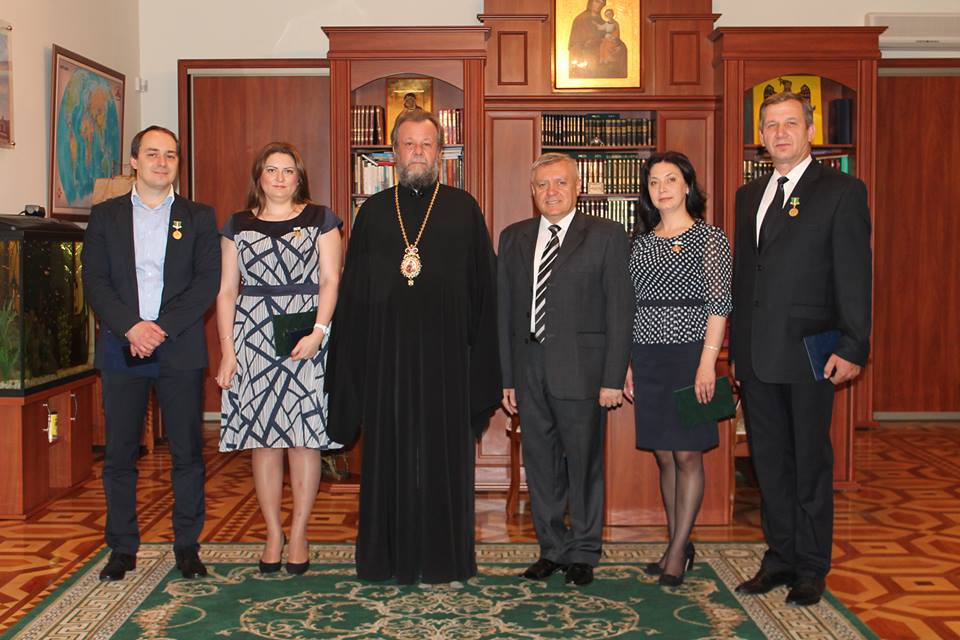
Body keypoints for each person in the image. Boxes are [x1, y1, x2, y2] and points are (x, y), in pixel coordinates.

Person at [326, 109, 500, 585]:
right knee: (390, 457)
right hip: (389, 362)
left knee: (445, 461)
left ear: (440, 152)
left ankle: (446, 559)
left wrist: (483, 366)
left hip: (449, 361)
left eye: (426, 144)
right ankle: (388, 558)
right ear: (394, 153)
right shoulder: (373, 213)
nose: (418, 152)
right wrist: (354, 366)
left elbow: (484, 292)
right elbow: (354, 296)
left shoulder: (464, 208)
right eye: (409, 144)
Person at [730, 92, 871, 606]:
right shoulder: (749, 194)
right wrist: (738, 350)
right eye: (771, 125)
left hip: (813, 352)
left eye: (791, 123)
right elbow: (748, 277)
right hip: (757, 355)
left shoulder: (841, 190)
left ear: (810, 131)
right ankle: (780, 558)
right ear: (761, 137)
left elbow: (854, 274)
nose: (780, 133)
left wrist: (853, 345)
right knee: (769, 464)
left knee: (809, 462)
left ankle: (811, 567)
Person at [82, 125, 220, 581]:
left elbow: (206, 282)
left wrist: (159, 329)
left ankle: (187, 547)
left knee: (187, 454)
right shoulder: (105, 217)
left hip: (178, 347)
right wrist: (132, 327)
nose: (162, 162)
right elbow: (95, 281)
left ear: (178, 163)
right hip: (123, 346)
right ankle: (122, 548)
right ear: (134, 162)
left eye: (171, 155)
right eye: (153, 154)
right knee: (120, 455)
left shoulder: (198, 217)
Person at [498, 152, 632, 587]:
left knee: (584, 464)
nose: (551, 192)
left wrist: (613, 377)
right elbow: (505, 311)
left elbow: (620, 310)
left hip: (583, 371)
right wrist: (507, 378)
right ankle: (552, 549)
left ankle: (584, 552)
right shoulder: (513, 237)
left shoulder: (607, 235)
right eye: (542, 185)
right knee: (540, 465)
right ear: (532, 192)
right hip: (529, 369)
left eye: (560, 183)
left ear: (578, 188)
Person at [215, 142, 342, 575]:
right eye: (272, 170)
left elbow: (331, 280)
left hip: (307, 335)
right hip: (252, 338)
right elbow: (227, 291)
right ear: (259, 177)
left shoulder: (321, 220)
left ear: (299, 178)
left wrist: (319, 332)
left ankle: (300, 532)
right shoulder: (237, 225)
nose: (280, 178)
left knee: (304, 438)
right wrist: (228, 351)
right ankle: (273, 532)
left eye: (289, 171)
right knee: (264, 439)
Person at [621, 151, 732, 587]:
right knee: (664, 455)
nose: (662, 188)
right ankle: (677, 545)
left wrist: (707, 363)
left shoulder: (710, 238)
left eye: (670, 179)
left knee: (687, 453)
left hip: (692, 357)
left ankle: (677, 552)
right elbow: (629, 307)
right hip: (648, 357)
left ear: (687, 186)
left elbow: (719, 305)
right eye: (653, 182)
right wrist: (627, 363)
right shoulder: (639, 243)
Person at [568, 0, 626, 79]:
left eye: (602, 3)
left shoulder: (604, 20)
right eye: (597, 1)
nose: (599, 5)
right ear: (591, 2)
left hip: (603, 46)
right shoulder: (580, 19)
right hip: (587, 52)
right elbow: (575, 44)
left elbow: (610, 34)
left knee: (622, 48)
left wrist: (617, 43)